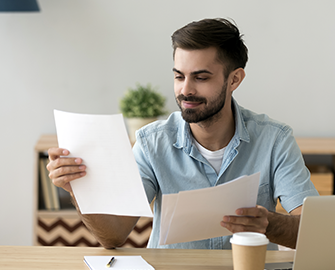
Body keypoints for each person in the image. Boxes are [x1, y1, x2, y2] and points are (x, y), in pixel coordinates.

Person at [47, 18, 319, 250]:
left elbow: (315, 231)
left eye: (201, 78)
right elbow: (114, 236)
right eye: (179, 76)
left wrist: (270, 224)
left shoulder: (275, 140)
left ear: (234, 79)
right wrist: (77, 190)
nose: (185, 90)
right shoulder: (151, 142)